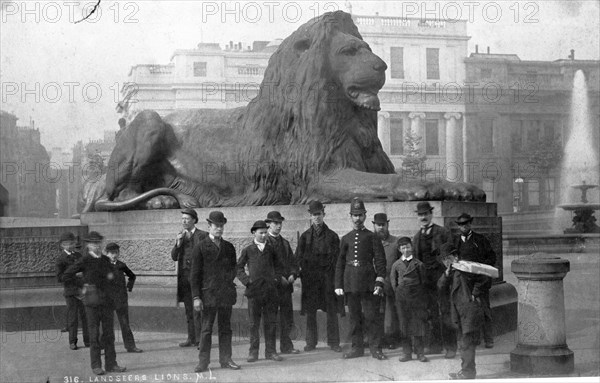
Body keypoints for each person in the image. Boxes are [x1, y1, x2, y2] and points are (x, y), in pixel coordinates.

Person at [64, 231, 126, 376]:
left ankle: (111, 364)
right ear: (88, 245)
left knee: (109, 334)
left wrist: (111, 282)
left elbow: (113, 276)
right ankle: (96, 365)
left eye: (98, 243)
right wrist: (83, 284)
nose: (96, 246)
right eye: (93, 243)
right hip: (92, 303)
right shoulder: (84, 260)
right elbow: (67, 275)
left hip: (107, 302)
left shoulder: (105, 260)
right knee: (94, 335)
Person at [335, 198, 387, 360]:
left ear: (365, 216)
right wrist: (338, 284)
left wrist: (379, 281)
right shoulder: (346, 238)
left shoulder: (372, 237)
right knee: (354, 318)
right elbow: (340, 263)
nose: (357, 219)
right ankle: (357, 348)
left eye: (360, 215)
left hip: (368, 283)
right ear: (350, 217)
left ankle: (375, 348)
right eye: (354, 215)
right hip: (350, 283)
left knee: (372, 317)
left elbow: (380, 260)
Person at [190, 211, 240, 372]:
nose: (219, 229)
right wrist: (196, 297)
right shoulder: (201, 247)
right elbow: (194, 274)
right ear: (209, 226)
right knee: (206, 330)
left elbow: (234, 268)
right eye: (216, 226)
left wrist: (226, 281)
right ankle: (203, 362)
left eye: (221, 226)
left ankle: (226, 359)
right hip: (208, 295)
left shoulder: (229, 247)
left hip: (225, 294)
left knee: (226, 329)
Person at [296, 201, 343, 353]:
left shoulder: (332, 236)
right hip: (311, 280)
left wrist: (336, 281)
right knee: (311, 312)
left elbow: (337, 260)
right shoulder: (304, 237)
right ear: (310, 216)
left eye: (319, 214)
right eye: (314, 214)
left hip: (327, 280)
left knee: (331, 311)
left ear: (324, 214)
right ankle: (311, 342)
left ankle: (334, 342)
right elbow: (298, 258)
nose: (317, 217)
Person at [237, 220, 285, 363]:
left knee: (271, 323)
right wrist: (247, 281)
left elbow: (279, 267)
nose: (264, 235)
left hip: (270, 292)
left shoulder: (272, 249)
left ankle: (271, 352)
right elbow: (238, 268)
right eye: (261, 233)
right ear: (254, 233)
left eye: (265, 232)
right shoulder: (248, 250)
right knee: (253, 324)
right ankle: (253, 352)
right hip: (254, 293)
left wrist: (276, 279)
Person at [438, 242, 488, 380]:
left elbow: (484, 278)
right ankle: (466, 370)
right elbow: (440, 286)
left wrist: (475, 293)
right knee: (463, 342)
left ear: (455, 256)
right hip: (460, 312)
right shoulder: (452, 271)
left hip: (469, 310)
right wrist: (446, 274)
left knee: (467, 343)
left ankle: (468, 372)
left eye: (447, 258)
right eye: (444, 259)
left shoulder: (465, 267)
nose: (445, 262)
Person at [412, 201, 453, 357]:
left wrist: (447, 274)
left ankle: (450, 347)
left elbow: (450, 256)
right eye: (420, 215)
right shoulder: (416, 237)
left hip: (441, 277)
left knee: (445, 311)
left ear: (431, 214)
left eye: (426, 214)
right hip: (425, 281)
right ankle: (435, 345)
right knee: (430, 313)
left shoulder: (442, 232)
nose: (423, 217)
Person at [452, 213, 496, 349]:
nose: (463, 227)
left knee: (484, 310)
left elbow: (491, 258)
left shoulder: (480, 240)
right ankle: (470, 339)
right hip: (464, 282)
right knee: (466, 311)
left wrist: (480, 268)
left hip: (480, 279)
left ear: (470, 224)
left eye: (466, 224)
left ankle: (489, 339)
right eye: (461, 224)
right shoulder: (455, 241)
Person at [171, 208, 207, 347]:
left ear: (194, 220)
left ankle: (200, 339)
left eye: (187, 218)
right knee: (188, 309)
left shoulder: (202, 235)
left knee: (198, 309)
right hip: (184, 278)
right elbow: (174, 256)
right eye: (182, 219)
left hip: (197, 278)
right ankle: (191, 338)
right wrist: (178, 244)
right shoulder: (181, 235)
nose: (184, 221)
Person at [265, 211, 300, 355]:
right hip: (272, 287)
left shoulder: (285, 243)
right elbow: (266, 266)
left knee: (286, 317)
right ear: (268, 224)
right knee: (272, 319)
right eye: (275, 223)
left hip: (286, 288)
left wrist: (293, 274)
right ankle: (271, 350)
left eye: (280, 223)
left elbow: (293, 262)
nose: (278, 226)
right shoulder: (265, 241)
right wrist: (279, 277)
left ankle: (286, 346)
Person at [390, 237, 429, 363]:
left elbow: (424, 282)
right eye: (403, 248)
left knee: (418, 324)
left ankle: (420, 352)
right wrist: (399, 292)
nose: (406, 250)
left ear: (411, 247)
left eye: (407, 247)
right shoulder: (396, 265)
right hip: (402, 297)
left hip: (417, 296)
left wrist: (419, 295)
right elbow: (393, 282)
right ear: (399, 249)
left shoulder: (419, 264)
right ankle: (407, 352)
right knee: (404, 324)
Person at [104, 242, 143, 353]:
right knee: (107, 325)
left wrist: (128, 287)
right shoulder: (103, 266)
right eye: (111, 253)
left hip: (121, 300)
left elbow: (132, 276)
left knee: (125, 324)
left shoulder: (121, 265)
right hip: (108, 300)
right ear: (106, 254)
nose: (114, 255)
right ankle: (104, 348)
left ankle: (130, 346)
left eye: (116, 253)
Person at [56, 232, 89, 350]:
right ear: (62, 246)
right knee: (73, 317)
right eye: (66, 244)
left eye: (71, 243)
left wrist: (83, 276)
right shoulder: (61, 259)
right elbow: (60, 277)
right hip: (70, 291)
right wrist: (76, 275)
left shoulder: (79, 256)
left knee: (86, 316)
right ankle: (72, 341)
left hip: (82, 290)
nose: (69, 246)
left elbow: (85, 271)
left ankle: (88, 340)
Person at [372, 213, 401, 349]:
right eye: (378, 225)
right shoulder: (369, 241)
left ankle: (390, 338)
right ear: (374, 225)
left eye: (383, 224)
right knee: (373, 312)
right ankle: (374, 338)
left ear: (387, 224)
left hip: (390, 284)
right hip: (373, 285)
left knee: (390, 314)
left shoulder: (395, 243)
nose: (381, 227)